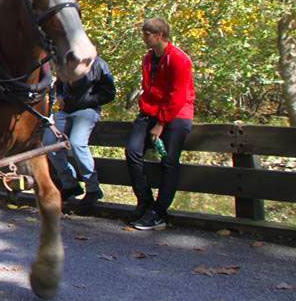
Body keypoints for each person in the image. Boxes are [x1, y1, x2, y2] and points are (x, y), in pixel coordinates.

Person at [126, 17, 195, 230]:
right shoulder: (148, 58)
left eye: (147, 34)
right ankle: (145, 201)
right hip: (150, 111)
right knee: (132, 150)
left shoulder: (179, 59)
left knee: (168, 161)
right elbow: (149, 88)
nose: (143, 38)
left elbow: (178, 95)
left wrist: (161, 123)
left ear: (160, 36)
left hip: (177, 113)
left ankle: (159, 212)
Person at [44, 56, 116, 212]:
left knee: (77, 143)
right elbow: (60, 85)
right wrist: (61, 97)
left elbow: (109, 93)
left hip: (88, 110)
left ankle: (93, 189)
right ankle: (69, 184)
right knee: (49, 142)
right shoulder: (66, 61)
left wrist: (86, 101)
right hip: (66, 111)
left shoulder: (98, 65)